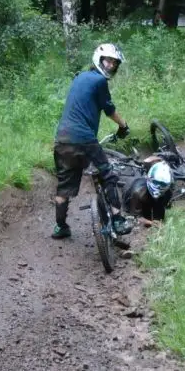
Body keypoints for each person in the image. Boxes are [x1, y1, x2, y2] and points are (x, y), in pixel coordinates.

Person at [51, 43, 132, 239]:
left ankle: (60, 227)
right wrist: (124, 126)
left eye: (114, 63)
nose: (111, 66)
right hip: (84, 139)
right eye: (108, 61)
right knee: (108, 174)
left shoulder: (79, 78)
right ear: (99, 59)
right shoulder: (99, 81)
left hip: (62, 139)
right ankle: (118, 219)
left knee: (64, 186)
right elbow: (109, 110)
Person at [122, 159, 174, 227]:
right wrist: (151, 223)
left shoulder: (168, 192)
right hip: (133, 194)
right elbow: (135, 217)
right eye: (157, 183)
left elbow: (162, 207)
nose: (159, 186)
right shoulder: (137, 193)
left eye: (162, 184)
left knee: (158, 216)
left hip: (147, 196)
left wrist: (157, 221)